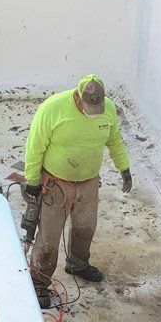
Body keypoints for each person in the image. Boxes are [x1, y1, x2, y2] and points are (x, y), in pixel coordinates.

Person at [23, 74, 132, 305]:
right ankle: (39, 281)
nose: (93, 111)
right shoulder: (53, 108)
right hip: (55, 184)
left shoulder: (108, 109)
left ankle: (78, 263)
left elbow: (114, 141)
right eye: (89, 106)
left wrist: (124, 168)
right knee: (48, 240)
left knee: (86, 227)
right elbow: (35, 146)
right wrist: (32, 180)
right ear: (77, 97)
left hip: (88, 182)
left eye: (97, 107)